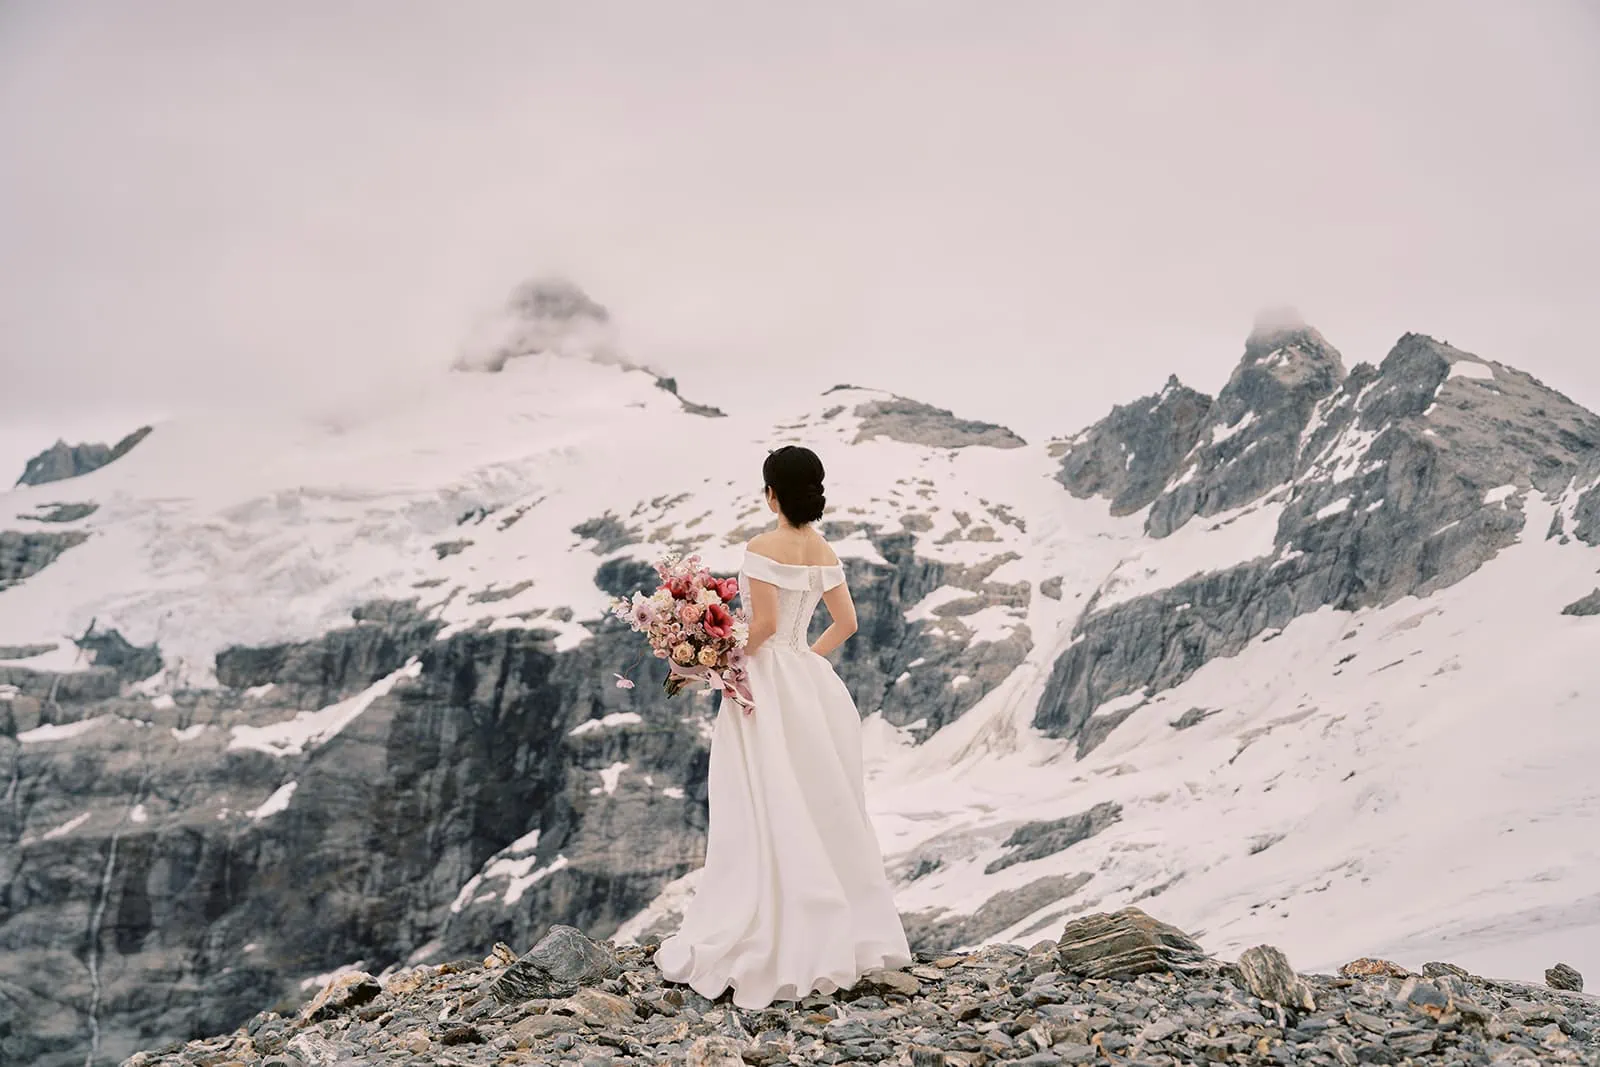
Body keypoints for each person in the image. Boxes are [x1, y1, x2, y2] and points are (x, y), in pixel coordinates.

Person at [653, 445, 912, 1008]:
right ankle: (840, 932)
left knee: (762, 801)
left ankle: (770, 929)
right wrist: (804, 660)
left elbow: (764, 626)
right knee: (818, 802)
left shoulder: (761, 547)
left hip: (764, 684)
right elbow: (846, 623)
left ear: (772, 493)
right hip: (811, 684)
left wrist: (707, 661)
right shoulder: (824, 550)